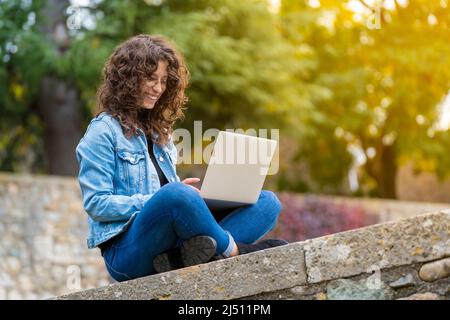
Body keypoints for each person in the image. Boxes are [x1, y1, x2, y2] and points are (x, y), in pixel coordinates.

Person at [76, 34, 287, 282]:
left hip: (169, 246)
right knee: (177, 194)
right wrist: (161, 198)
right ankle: (235, 252)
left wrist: (201, 199)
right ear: (128, 79)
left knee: (267, 203)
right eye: (151, 79)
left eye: (164, 81)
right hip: (125, 254)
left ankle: (185, 258)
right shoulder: (103, 131)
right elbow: (97, 204)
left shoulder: (159, 134)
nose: (158, 88)